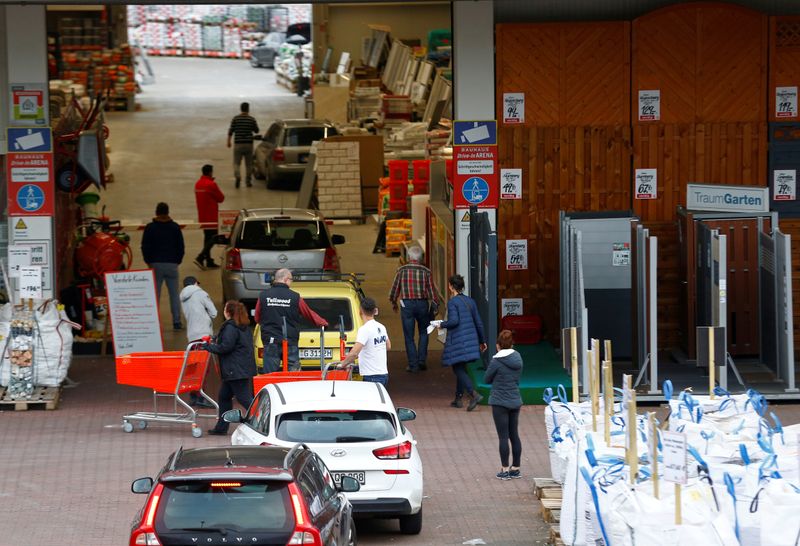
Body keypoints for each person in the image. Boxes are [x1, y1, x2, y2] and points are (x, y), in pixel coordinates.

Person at [254, 268, 328, 372]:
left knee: (270, 376)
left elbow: (257, 317)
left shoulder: (263, 296)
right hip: (290, 342)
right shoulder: (295, 297)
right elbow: (308, 313)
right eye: (291, 280)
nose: (291, 282)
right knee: (293, 376)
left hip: (271, 341)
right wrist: (323, 322)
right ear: (285, 279)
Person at [433, 274, 487, 411]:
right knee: (461, 367)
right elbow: (479, 323)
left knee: (457, 368)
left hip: (458, 341)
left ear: (451, 287)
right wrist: (482, 340)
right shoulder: (470, 301)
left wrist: (441, 324)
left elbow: (454, 321)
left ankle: (474, 394)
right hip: (470, 340)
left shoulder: (452, 302)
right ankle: (458, 398)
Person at [203, 300, 256, 435]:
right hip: (241, 368)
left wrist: (208, 347)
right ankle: (221, 428)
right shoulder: (243, 327)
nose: (223, 311)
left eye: (225, 308)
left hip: (235, 370)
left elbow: (226, 347)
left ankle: (262, 419)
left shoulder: (231, 327)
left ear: (229, 312)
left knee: (244, 398)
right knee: (224, 397)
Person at [389, 245, 438, 373]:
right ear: (421, 258)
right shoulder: (426, 271)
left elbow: (394, 289)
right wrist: (435, 304)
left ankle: (413, 364)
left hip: (407, 305)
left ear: (409, 257)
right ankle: (422, 360)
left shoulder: (401, 270)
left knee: (409, 336)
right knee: (423, 332)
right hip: (422, 305)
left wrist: (393, 302)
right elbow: (432, 292)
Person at [484, 329, 523, 480]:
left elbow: (487, 379)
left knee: (503, 437)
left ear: (498, 345)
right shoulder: (518, 358)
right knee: (514, 435)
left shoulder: (496, 361)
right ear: (512, 343)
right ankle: (516, 468)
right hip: (515, 399)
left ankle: (505, 469)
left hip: (499, 401)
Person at [141, 202, 185, 330]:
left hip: (155, 264)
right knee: (174, 295)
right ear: (168, 212)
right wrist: (177, 260)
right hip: (172, 264)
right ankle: (177, 322)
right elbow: (181, 247)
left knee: (155, 295)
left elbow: (145, 247)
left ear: (156, 212)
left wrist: (148, 261)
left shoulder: (150, 228)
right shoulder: (175, 227)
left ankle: (153, 322)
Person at [180, 276, 218, 408]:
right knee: (203, 368)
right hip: (203, 336)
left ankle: (194, 395)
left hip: (192, 336)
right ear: (195, 283)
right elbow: (214, 313)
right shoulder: (201, 293)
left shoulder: (183, 297)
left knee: (194, 367)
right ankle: (200, 397)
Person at [337, 297, 391, 386]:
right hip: (383, 374)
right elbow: (388, 346)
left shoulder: (364, 330)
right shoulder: (381, 327)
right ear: (375, 311)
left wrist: (342, 364)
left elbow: (354, 353)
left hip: (371, 376)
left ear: (360, 311)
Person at [193, 164, 225, 270]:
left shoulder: (198, 184)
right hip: (212, 216)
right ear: (210, 172)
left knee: (207, 238)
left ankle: (209, 260)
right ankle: (201, 257)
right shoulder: (211, 184)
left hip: (202, 216)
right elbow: (221, 198)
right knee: (213, 238)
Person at [226, 102, 259, 188]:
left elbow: (230, 131)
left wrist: (228, 141)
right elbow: (256, 130)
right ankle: (248, 181)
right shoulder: (252, 119)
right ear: (248, 109)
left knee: (236, 163)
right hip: (248, 144)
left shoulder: (235, 119)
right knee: (249, 164)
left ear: (241, 109)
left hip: (238, 144)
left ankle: (238, 176)